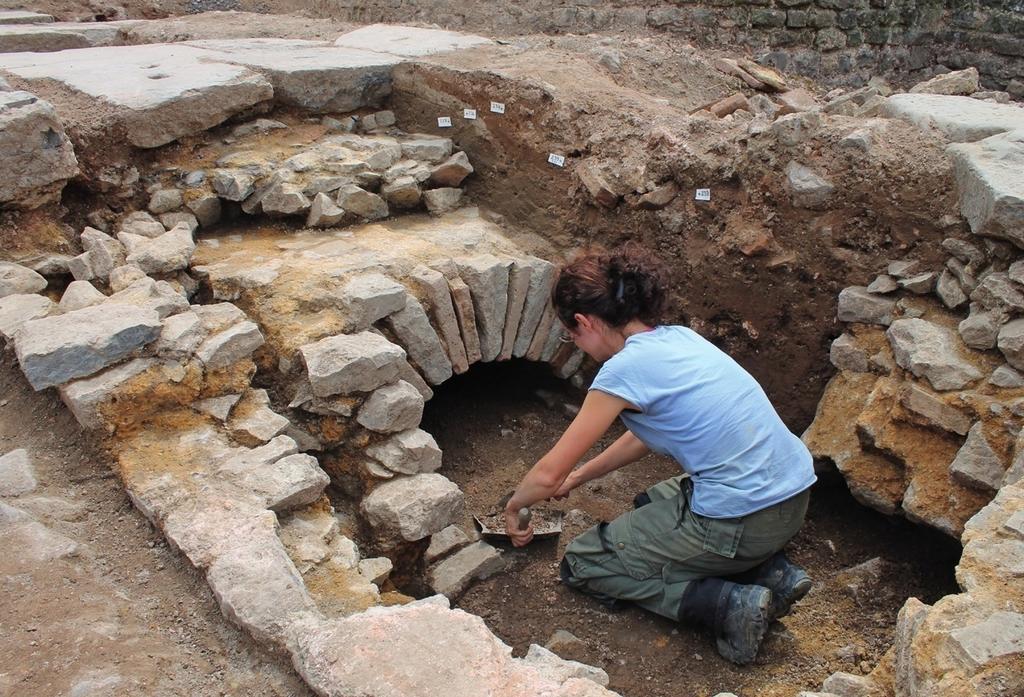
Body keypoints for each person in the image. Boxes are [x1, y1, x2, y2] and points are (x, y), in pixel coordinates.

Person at [503, 244, 817, 665]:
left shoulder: (622, 370)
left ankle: (725, 605)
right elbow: (643, 437)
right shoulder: (678, 338)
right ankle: (769, 572)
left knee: (584, 562)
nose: (575, 343)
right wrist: (579, 478)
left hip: (743, 519)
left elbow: (545, 474)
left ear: (584, 322)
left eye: (570, 334)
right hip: (792, 498)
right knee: (650, 501)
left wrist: (515, 505)